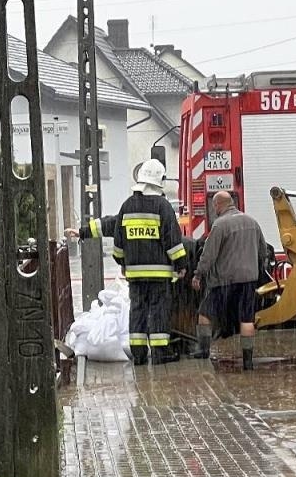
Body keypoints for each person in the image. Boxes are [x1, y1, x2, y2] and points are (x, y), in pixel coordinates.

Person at [66, 157, 187, 366]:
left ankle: (138, 355)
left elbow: (114, 230)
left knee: (137, 312)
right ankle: (160, 355)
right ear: (159, 182)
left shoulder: (128, 206)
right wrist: (181, 265)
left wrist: (84, 233)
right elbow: (172, 241)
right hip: (160, 276)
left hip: (135, 275)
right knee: (158, 312)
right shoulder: (163, 207)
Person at [191, 190, 266, 370]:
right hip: (248, 279)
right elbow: (262, 251)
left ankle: (203, 350)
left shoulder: (220, 225)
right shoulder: (252, 222)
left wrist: (198, 274)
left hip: (224, 280)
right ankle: (248, 361)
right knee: (247, 319)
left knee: (205, 313)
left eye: (214, 205)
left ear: (218, 205)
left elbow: (208, 255)